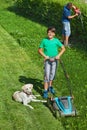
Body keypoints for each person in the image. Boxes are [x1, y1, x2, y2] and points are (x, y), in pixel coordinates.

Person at [38, 27, 65, 98]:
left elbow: (63, 48)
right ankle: (45, 90)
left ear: (54, 34)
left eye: (52, 32)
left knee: (52, 74)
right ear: (47, 33)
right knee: (47, 75)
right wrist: (45, 56)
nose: (50, 33)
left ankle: (50, 87)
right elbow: (40, 50)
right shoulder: (44, 41)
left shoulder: (56, 41)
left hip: (55, 60)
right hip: (47, 60)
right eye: (49, 32)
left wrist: (58, 55)